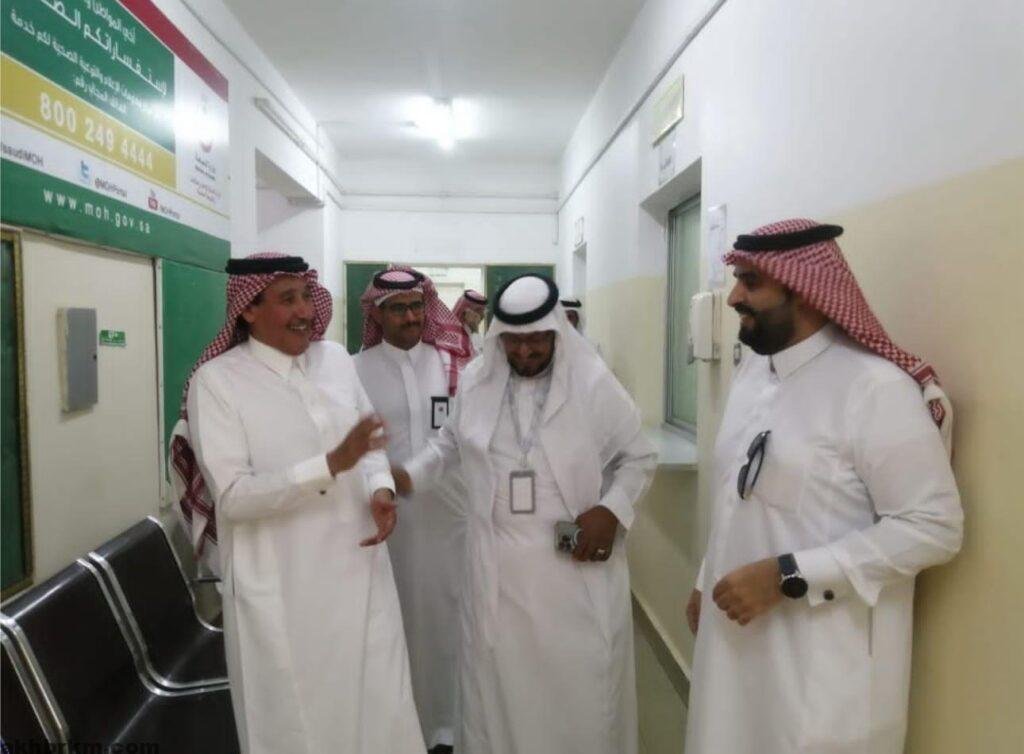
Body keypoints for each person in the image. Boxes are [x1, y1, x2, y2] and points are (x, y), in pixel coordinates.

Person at [683, 220, 963, 754]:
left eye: (750, 282)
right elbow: (735, 495)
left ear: (805, 290)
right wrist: (705, 577)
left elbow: (934, 528)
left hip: (820, 666)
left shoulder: (874, 389)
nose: (734, 297)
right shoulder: (753, 374)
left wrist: (789, 575)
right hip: (734, 638)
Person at [168, 253, 424, 754]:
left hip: (359, 570)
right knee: (296, 721)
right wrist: (329, 464)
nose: (305, 310)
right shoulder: (216, 382)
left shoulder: (335, 361)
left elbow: (369, 441)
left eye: (307, 295)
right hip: (284, 585)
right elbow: (234, 498)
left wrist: (380, 489)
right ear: (248, 308)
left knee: (379, 704)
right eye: (287, 299)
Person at [394, 273, 657, 754]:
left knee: (577, 692)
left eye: (537, 339)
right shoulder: (477, 381)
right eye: (513, 341)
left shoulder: (593, 384)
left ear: (556, 332)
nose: (525, 351)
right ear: (499, 337)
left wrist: (612, 510)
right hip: (496, 571)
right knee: (499, 695)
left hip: (571, 572)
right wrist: (407, 476)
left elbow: (638, 457)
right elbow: (447, 446)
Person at [354, 267, 471, 752]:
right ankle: (405, 730)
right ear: (377, 314)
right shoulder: (355, 370)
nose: (410, 316)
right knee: (399, 623)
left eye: (417, 306)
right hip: (391, 521)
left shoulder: (454, 361)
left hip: (454, 518)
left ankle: (452, 726)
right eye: (398, 308)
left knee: (455, 620)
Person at [453, 289, 487, 355]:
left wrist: (475, 331)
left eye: (484, 311)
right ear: (466, 311)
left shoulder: (472, 331)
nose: (483, 315)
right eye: (478, 310)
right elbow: (477, 357)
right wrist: (475, 331)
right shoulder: (453, 335)